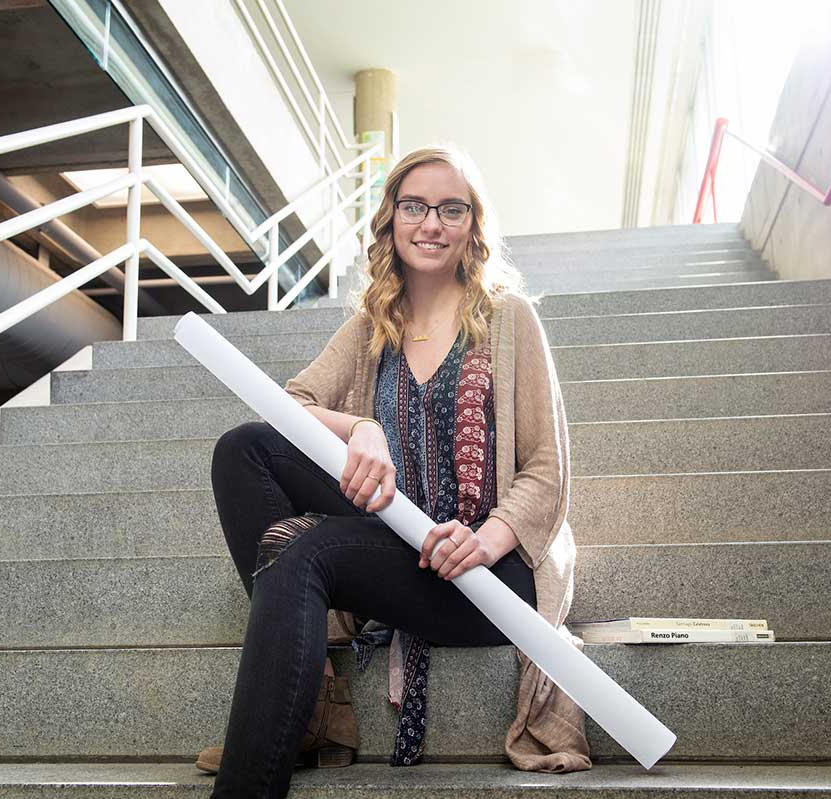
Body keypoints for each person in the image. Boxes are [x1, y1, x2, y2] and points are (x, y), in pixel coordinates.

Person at [203, 145, 591, 799]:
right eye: (415, 205)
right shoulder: (370, 327)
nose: (431, 222)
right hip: (401, 544)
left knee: (303, 552)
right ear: (391, 220)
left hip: (490, 571)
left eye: (451, 208)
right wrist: (362, 427)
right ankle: (315, 690)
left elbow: (548, 471)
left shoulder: (509, 318)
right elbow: (290, 404)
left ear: (473, 224)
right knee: (245, 448)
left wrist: (487, 536)